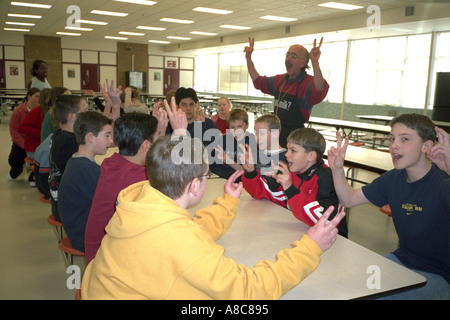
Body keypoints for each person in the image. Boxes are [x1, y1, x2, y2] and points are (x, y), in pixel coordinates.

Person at [80, 134, 345, 299]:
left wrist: (227, 203)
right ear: (195, 186)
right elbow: (249, 290)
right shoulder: (183, 241)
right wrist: (310, 246)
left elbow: (186, 232)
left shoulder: (139, 204)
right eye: (205, 176)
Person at [327, 113, 449, 299]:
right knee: (348, 284)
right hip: (402, 260)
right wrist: (336, 169)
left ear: (427, 146)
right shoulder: (393, 179)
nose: (394, 145)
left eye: (405, 139)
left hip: (441, 275)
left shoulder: (443, 182)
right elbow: (349, 199)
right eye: (392, 138)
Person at [242, 127, 347, 237]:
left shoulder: (326, 176)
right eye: (287, 149)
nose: (286, 154)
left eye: (293, 150)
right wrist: (250, 172)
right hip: (301, 233)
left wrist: (289, 189)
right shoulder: (292, 172)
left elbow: (324, 220)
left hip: (334, 239)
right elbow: (263, 192)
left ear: (311, 156)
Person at [244, 37, 329, 147]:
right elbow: (258, 81)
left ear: (303, 63)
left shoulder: (307, 83)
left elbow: (319, 90)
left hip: (295, 139)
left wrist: (315, 63)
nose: (288, 58)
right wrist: (248, 58)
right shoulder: (280, 80)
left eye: (293, 56)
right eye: (287, 55)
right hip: (275, 135)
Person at [58, 112, 113, 252]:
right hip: (84, 237)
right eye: (107, 136)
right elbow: (114, 201)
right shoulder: (86, 170)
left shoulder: (77, 161)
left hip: (77, 230)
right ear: (90, 137)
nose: (111, 141)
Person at [48, 95, 88, 222]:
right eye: (84, 110)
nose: (88, 115)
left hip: (59, 206)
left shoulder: (59, 136)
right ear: (72, 116)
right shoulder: (71, 142)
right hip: (70, 211)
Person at [165, 87, 221, 174]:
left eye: (191, 104)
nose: (188, 108)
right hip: (178, 172)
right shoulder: (171, 126)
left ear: (197, 105)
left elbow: (214, 153)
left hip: (206, 172)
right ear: (177, 106)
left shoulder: (208, 124)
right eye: (184, 104)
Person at [212, 108, 257, 180]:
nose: (236, 131)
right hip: (223, 181)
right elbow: (214, 169)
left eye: (239, 126)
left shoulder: (253, 142)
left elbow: (250, 173)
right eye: (232, 127)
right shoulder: (221, 141)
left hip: (245, 182)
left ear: (247, 125)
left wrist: (228, 160)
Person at [7, 88, 40, 186]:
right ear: (29, 97)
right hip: (21, 143)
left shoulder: (41, 111)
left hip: (35, 142)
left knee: (40, 156)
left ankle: (33, 175)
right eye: (36, 96)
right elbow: (14, 130)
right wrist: (23, 144)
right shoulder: (19, 111)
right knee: (14, 160)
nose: (39, 99)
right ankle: (16, 170)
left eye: (40, 97)